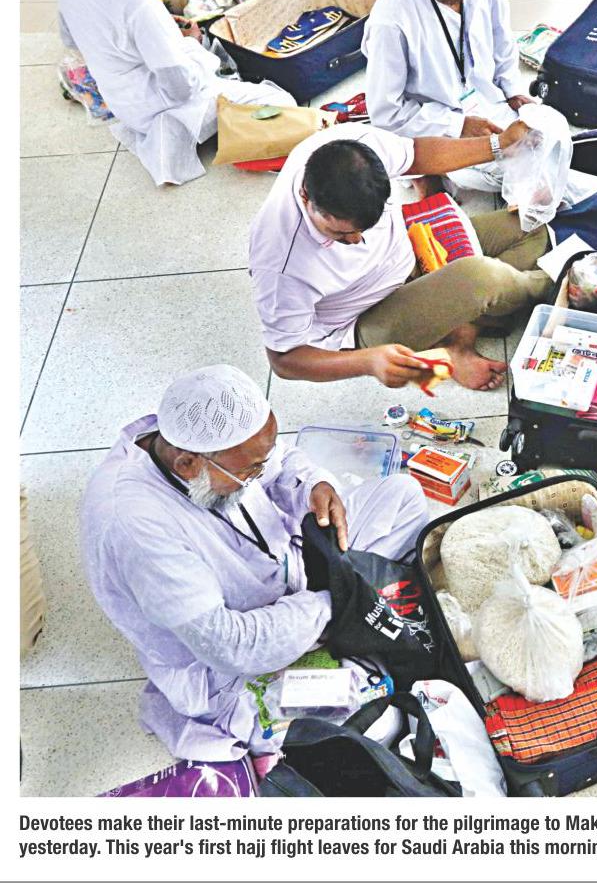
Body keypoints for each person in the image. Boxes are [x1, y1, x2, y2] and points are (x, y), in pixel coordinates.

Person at [80, 365, 429, 761]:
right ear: (187, 465)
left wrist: (313, 485)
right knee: (379, 723)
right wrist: (336, 602)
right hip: (233, 665)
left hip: (298, 577)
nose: (259, 474)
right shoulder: (135, 526)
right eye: (249, 471)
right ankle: (354, 629)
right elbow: (230, 645)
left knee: (404, 496)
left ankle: (354, 622)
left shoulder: (200, 437)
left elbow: (277, 461)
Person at [248, 120, 553, 391]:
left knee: (530, 226)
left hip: (410, 252)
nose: (356, 241)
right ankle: (557, 280)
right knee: (482, 278)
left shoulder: (355, 147)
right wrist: (368, 361)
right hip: (366, 319)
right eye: (340, 234)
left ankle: (460, 335)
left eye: (366, 227)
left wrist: (499, 144)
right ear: (305, 197)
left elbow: (417, 154)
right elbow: (284, 360)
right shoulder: (280, 261)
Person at [362, 0, 597, 204]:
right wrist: (459, 126)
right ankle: (425, 173)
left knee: (552, 136)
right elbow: (387, 115)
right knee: (520, 173)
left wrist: (512, 91)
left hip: (489, 103)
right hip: (436, 125)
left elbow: (503, 44)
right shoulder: (390, 19)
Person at [55, 0, 294, 187]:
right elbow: (181, 89)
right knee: (281, 101)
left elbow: (70, 40)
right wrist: (191, 45)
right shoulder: (138, 2)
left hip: (120, 101)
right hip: (159, 110)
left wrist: (160, 33)